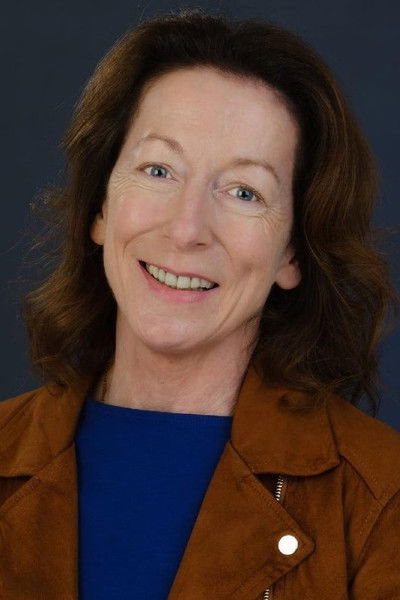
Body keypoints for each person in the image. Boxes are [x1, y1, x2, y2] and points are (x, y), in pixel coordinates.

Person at [1, 7, 399, 599]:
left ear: (292, 252)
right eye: (159, 169)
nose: (187, 229)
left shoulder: (383, 495)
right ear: (101, 208)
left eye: (244, 192)